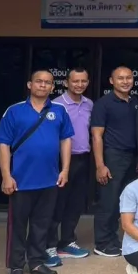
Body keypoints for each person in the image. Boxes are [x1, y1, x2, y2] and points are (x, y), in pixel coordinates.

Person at [0, 70, 73, 274]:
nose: (43, 85)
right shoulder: (14, 111)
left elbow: (66, 140)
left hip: (49, 180)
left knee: (42, 224)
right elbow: (3, 144)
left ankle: (37, 262)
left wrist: (65, 169)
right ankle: (16, 266)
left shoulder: (59, 110)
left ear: (52, 87)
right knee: (18, 226)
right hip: (21, 181)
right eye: (39, 81)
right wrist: (6, 176)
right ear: (30, 85)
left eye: (48, 82)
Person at [92, 66, 138, 257]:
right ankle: (102, 243)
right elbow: (97, 136)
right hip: (113, 156)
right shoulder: (103, 104)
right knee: (108, 201)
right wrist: (100, 165)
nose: (125, 81)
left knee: (125, 201)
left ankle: (113, 239)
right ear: (111, 81)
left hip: (132, 157)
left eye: (129, 77)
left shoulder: (134, 102)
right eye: (120, 78)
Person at [47, 67, 92, 263]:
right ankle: (48, 245)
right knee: (56, 204)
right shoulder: (56, 105)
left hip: (83, 159)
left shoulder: (89, 104)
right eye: (75, 81)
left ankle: (67, 242)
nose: (79, 85)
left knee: (75, 203)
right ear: (66, 83)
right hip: (60, 161)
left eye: (83, 81)